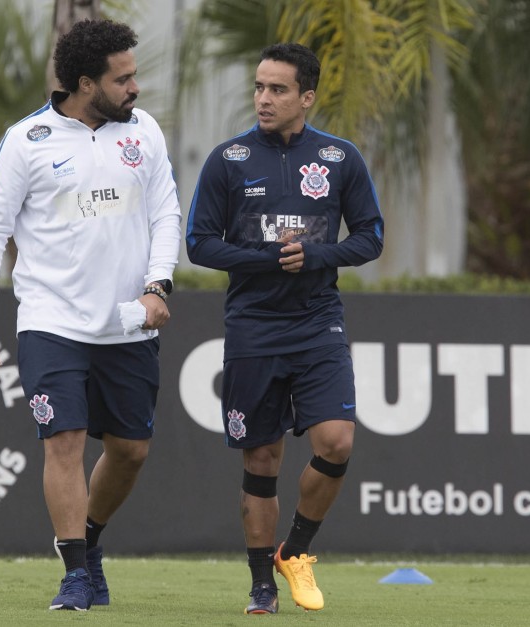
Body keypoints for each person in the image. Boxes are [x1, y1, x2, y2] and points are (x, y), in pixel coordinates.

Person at [0, 19, 181, 612]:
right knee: (65, 440)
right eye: (124, 78)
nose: (135, 88)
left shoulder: (145, 133)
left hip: (128, 322)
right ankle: (76, 574)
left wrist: (159, 285)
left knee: (131, 450)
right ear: (87, 82)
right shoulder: (26, 139)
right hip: (50, 320)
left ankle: (92, 538)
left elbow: (167, 213)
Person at [185, 42, 384, 614]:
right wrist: (266, 258)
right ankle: (261, 586)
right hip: (252, 325)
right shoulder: (228, 160)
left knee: (337, 441)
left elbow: (370, 236)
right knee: (262, 459)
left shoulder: (341, 159)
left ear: (306, 97)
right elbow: (200, 243)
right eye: (259, 87)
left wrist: (317, 255)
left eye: (277, 89)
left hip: (317, 322)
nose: (263, 99)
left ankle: (294, 552)